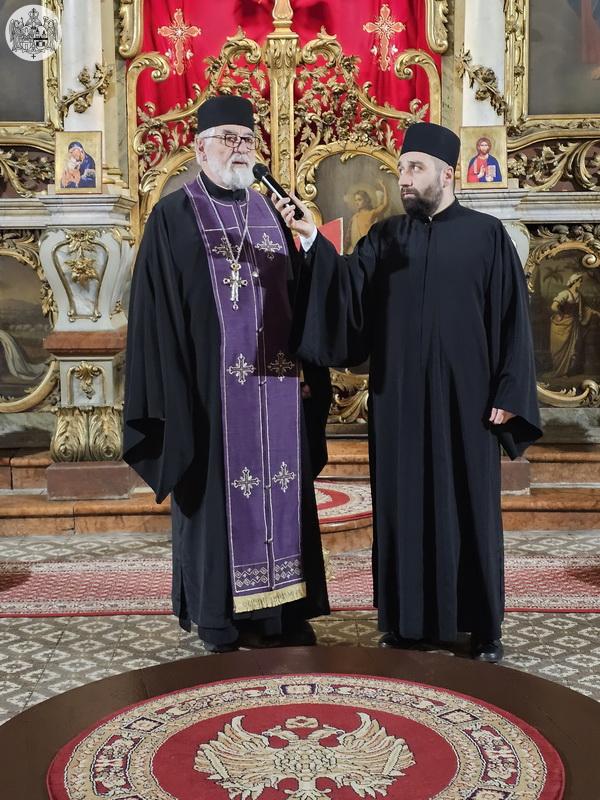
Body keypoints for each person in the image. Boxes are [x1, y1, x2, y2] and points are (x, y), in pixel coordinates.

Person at [275, 121, 542, 663]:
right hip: (398, 401)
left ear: (447, 174)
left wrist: (510, 389)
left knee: (469, 505)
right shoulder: (386, 238)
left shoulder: (488, 236)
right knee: (402, 507)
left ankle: (480, 626)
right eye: (402, 170)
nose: (405, 179)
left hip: (468, 403)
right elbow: (346, 291)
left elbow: (513, 320)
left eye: (416, 169)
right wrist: (311, 240)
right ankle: (405, 623)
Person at [123, 95, 331, 653]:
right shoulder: (173, 216)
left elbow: (302, 297)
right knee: (217, 499)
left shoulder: (274, 214)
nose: (239, 149)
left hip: (278, 391)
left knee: (283, 494)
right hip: (209, 395)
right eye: (228, 139)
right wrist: (175, 392)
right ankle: (219, 616)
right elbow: (155, 314)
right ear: (200, 148)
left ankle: (281, 613)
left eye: (247, 139)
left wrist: (307, 363)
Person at [549, 272, 600, 377]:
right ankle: (558, 371)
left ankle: (565, 372)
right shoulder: (565, 293)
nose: (581, 283)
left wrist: (595, 312)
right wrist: (561, 314)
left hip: (573, 325)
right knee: (559, 348)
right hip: (561, 324)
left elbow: (584, 308)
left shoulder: (579, 296)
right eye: (580, 281)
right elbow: (554, 306)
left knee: (573, 348)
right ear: (574, 281)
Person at [346, 183, 388, 253]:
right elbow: (348, 238)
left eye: (359, 200)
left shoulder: (371, 214)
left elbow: (385, 205)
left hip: (368, 250)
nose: (357, 203)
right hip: (356, 251)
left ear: (366, 200)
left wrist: (384, 187)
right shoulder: (354, 217)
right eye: (355, 200)